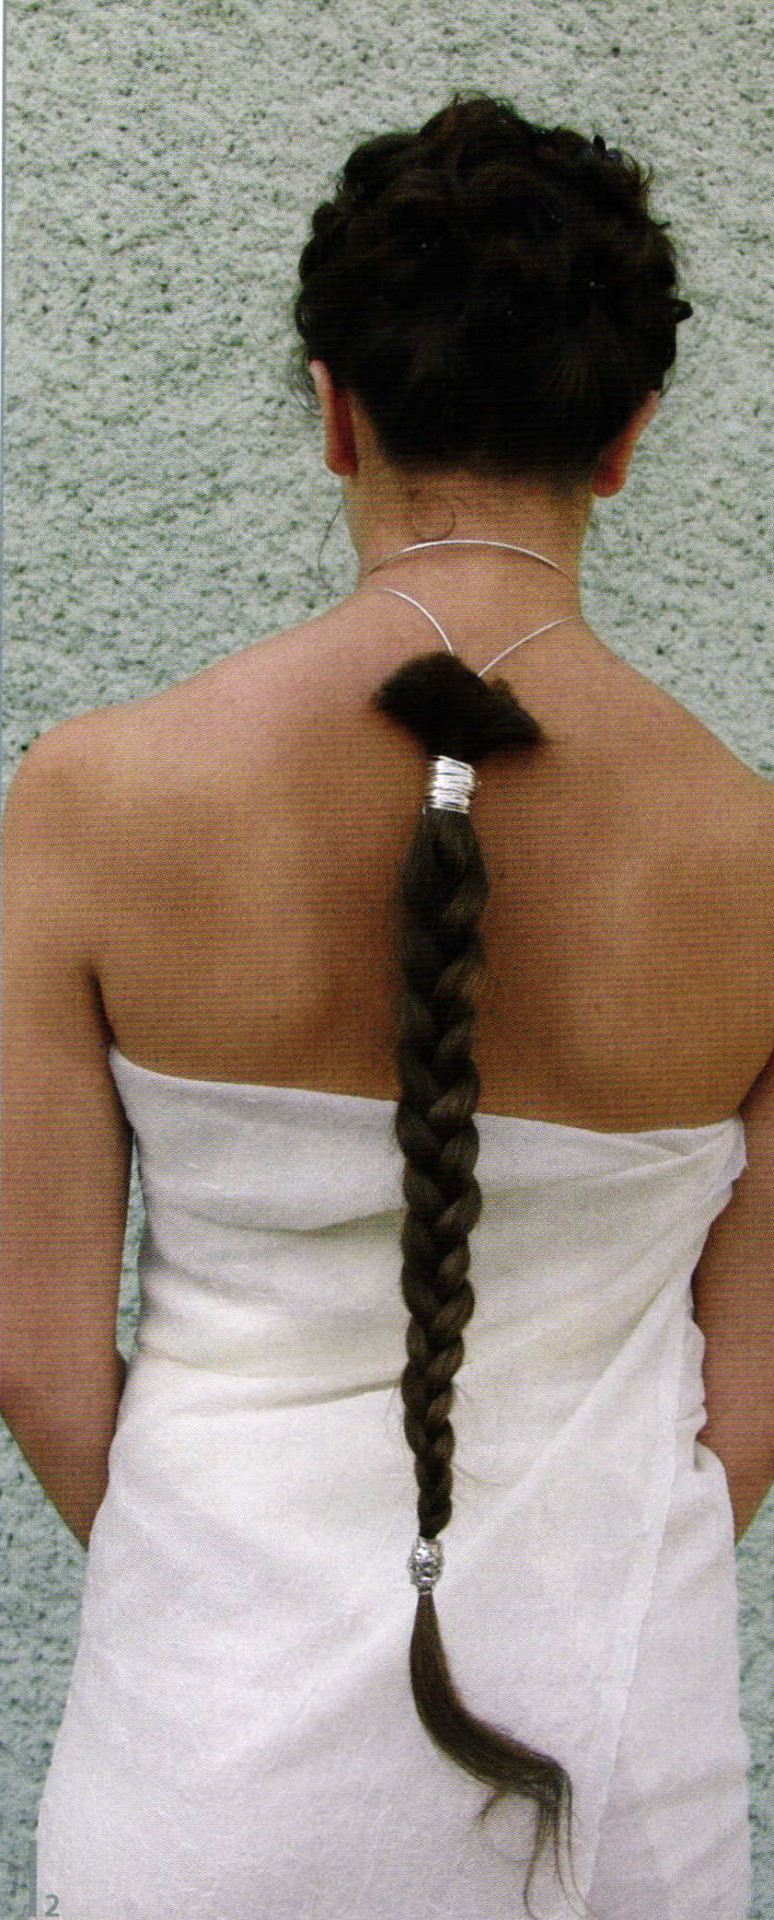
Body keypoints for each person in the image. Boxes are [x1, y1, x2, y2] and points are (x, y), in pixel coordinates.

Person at [2, 88, 773, 1920]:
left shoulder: (92, 797)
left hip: (202, 1764)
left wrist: (221, 1597)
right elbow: (751, 1397)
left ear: (334, 409)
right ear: (625, 439)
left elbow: (39, 1358)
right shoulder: (755, 860)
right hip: (614, 1761)